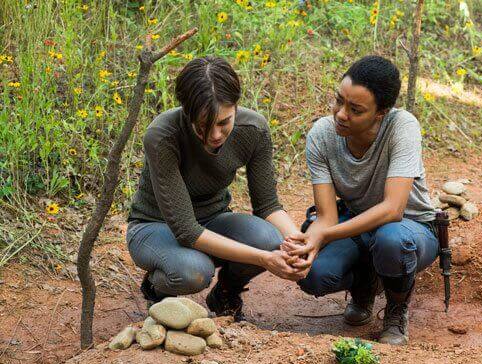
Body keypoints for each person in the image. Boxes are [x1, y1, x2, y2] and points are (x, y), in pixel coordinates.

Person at [126, 56, 305, 321]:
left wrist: (297, 242)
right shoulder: (162, 135)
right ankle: (157, 289)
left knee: (271, 240)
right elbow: (187, 231)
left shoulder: (253, 130)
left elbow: (268, 205)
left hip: (212, 219)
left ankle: (225, 293)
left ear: (236, 106)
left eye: (224, 122)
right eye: (203, 125)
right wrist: (264, 259)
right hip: (155, 225)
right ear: (186, 112)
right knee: (193, 271)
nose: (215, 135)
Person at [282, 56, 439, 345]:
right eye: (338, 101)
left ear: (381, 112)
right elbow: (327, 217)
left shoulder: (402, 127)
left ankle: (396, 306)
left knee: (391, 241)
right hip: (356, 224)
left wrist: (325, 234)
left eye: (355, 110)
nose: (341, 114)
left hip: (410, 227)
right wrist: (308, 243)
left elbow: (393, 209)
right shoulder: (322, 135)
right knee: (312, 273)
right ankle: (366, 283)